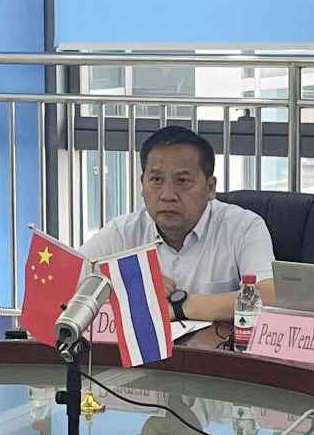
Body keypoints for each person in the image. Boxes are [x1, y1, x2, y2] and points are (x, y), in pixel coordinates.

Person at [79, 125, 275, 322]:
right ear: (142, 184)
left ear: (210, 187)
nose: (168, 195)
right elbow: (68, 280)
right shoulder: (123, 233)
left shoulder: (243, 227)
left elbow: (268, 296)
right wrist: (130, 283)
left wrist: (180, 307)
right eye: (156, 180)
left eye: (182, 181)